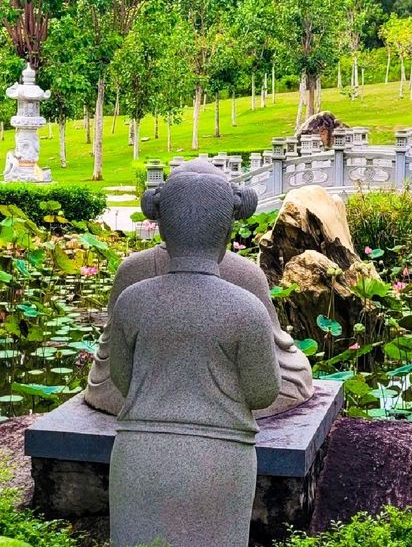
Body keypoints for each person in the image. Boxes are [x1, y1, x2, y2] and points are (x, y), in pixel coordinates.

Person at [109, 172, 281, 547]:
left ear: (163, 231)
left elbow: (121, 378)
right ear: (225, 235)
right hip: (221, 460)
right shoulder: (246, 309)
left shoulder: (132, 301)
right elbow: (264, 391)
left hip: (138, 455)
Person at [85, 159, 313, 419]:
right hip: (222, 408)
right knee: (294, 375)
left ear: (161, 220)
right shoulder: (245, 274)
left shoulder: (131, 273)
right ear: (227, 224)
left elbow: (113, 367)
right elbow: (271, 375)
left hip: (143, 404)